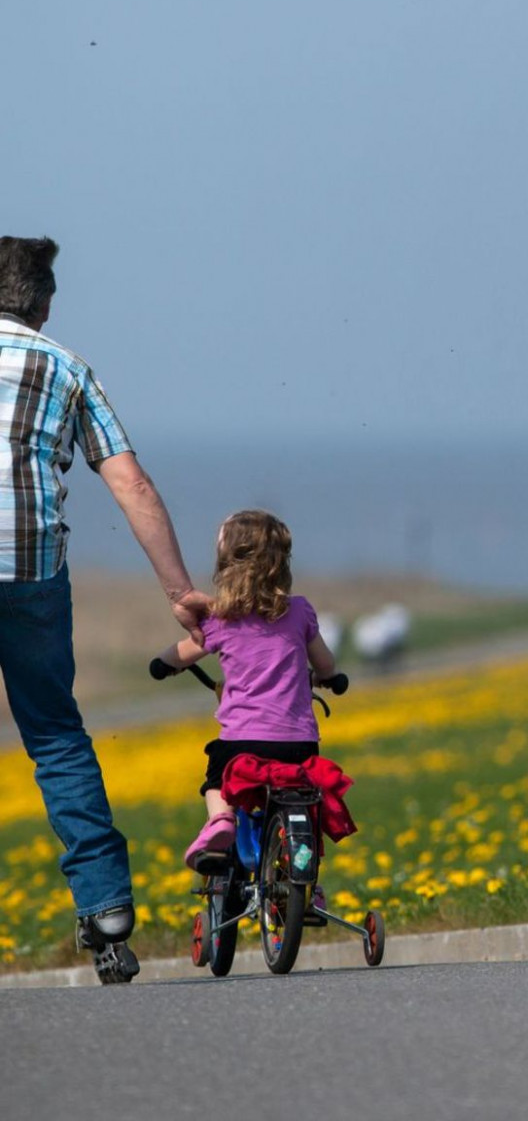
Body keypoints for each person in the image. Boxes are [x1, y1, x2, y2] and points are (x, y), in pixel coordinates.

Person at [0, 235, 209, 983]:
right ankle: (108, 914)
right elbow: (133, 487)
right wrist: (181, 594)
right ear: (44, 304)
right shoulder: (66, 368)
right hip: (31, 576)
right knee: (55, 737)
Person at [153, 509, 341, 871]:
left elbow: (181, 653)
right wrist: (327, 677)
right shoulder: (300, 612)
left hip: (242, 743)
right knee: (304, 804)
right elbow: (326, 664)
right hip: (299, 744)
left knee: (216, 781)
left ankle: (221, 820)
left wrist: (163, 664)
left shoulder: (222, 618)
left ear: (226, 563)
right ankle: (309, 885)